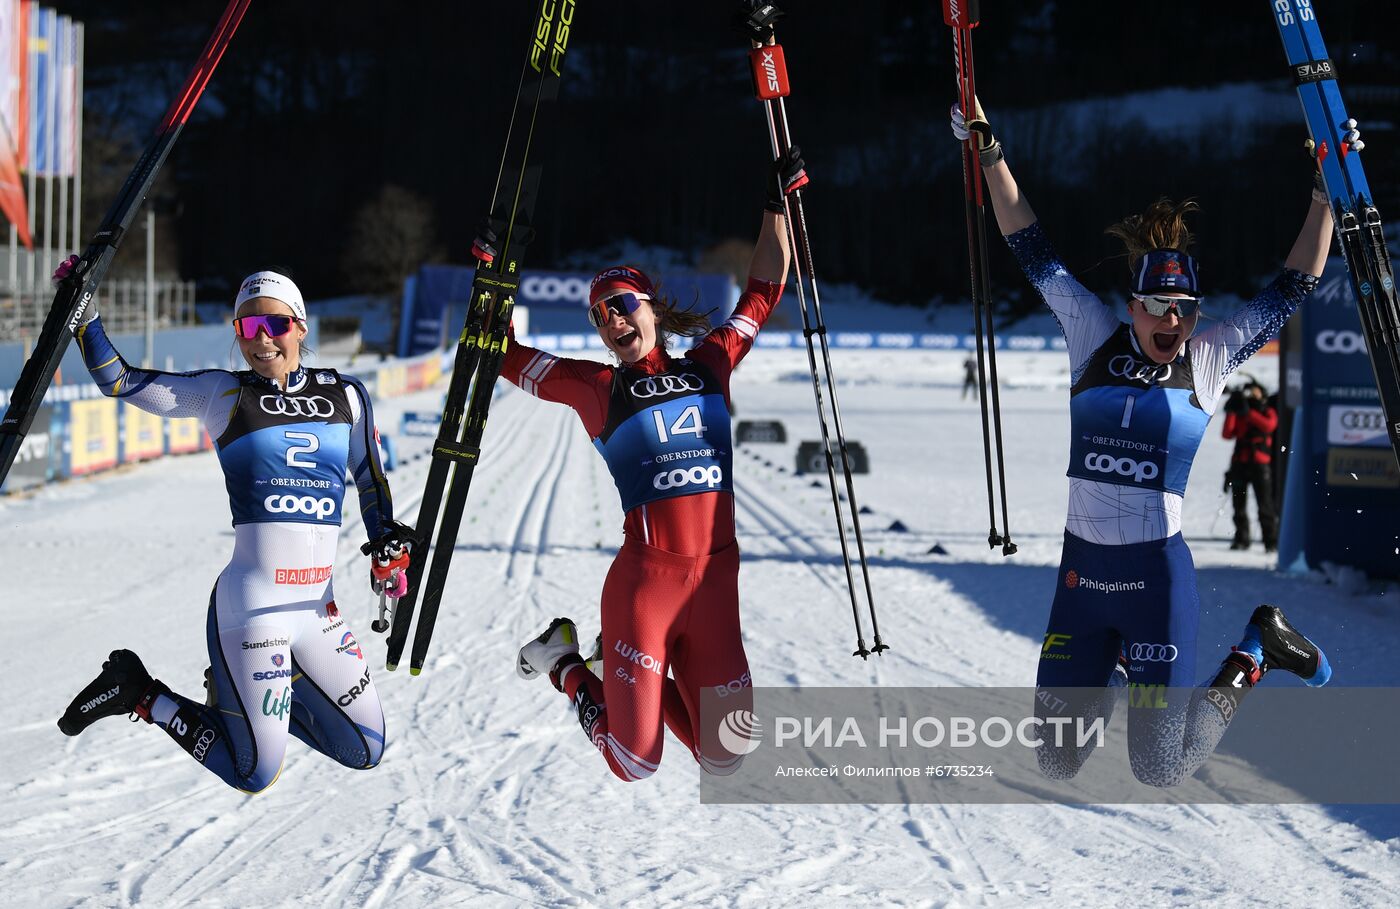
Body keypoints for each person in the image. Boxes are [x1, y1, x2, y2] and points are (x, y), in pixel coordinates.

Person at [951, 98, 1338, 786]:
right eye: (1158, 306)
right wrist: (990, 153)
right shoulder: (1092, 334)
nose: (1173, 320)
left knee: (1159, 766)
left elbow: (1292, 287)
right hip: (1082, 579)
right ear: (1131, 303)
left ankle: (1256, 647)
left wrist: (1325, 192)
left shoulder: (1210, 357)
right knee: (1056, 756)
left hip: (1155, 582)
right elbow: (1029, 243)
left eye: (1186, 308)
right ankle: (1122, 665)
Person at [56, 266, 414, 794]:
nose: (261, 340)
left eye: (274, 324)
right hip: (252, 606)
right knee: (254, 772)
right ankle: (138, 693)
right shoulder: (223, 394)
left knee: (364, 747)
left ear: (301, 326)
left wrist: (387, 541)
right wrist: (84, 319)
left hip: (318, 609)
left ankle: (237, 693)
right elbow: (121, 381)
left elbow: (369, 479)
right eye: (246, 329)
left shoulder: (348, 396)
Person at [501, 149, 799, 782]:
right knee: (634, 760)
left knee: (728, 756)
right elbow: (504, 355)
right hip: (647, 586)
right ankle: (565, 663)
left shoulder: (710, 362)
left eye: (624, 302)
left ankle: (634, 663)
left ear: (652, 308)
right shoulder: (598, 389)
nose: (614, 318)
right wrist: (491, 279)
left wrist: (777, 207)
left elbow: (764, 291)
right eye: (601, 314)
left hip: (717, 585)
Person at [1221, 381, 1279, 551]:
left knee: (1265, 505)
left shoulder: (1267, 410)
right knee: (1238, 505)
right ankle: (1241, 539)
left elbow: (1269, 426)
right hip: (1239, 463)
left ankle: (1271, 541)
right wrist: (1233, 409)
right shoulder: (1240, 412)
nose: (1251, 395)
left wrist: (1249, 413)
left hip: (1260, 465)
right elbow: (1227, 434)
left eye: (1255, 392)